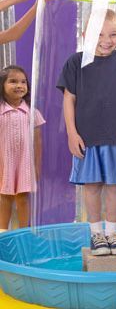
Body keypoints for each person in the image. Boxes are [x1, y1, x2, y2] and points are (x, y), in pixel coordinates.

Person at [57, 9, 116, 255]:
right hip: (87, 136)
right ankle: (97, 234)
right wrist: (72, 133)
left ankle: (112, 233)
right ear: (86, 34)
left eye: (113, 34)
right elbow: (69, 99)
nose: (106, 40)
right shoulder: (76, 62)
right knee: (92, 185)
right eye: (98, 34)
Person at [0, 65, 45, 231]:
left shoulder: (31, 112)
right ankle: (3, 233)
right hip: (3, 162)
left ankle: (24, 232)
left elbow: (38, 142)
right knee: (4, 197)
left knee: (23, 197)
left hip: (24, 164)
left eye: (23, 82)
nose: (19, 85)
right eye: (13, 81)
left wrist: (37, 166)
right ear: (2, 85)